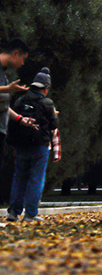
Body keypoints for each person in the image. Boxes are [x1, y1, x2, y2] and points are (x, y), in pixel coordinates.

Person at [6, 67, 58, 222]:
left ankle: (13, 212)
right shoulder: (47, 103)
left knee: (19, 178)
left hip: (21, 146)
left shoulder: (20, 100)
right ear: (46, 89)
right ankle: (30, 214)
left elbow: (13, 122)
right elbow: (54, 125)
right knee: (36, 179)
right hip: (40, 146)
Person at [0, 39, 35, 158]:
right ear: (15, 54)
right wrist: (7, 89)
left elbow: (2, 105)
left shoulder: (3, 75)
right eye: (23, 59)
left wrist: (20, 119)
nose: (22, 64)